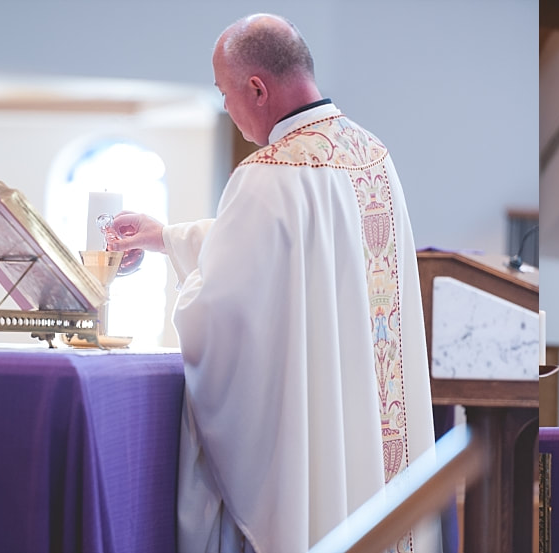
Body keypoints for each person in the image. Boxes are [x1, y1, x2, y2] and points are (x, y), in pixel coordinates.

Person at [106, 14, 440, 553]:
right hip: (376, 446)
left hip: (318, 457)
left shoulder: (267, 174)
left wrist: (191, 292)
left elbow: (218, 316)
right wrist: (165, 236)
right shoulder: (374, 158)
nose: (225, 108)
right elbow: (299, 257)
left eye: (224, 92)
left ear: (257, 88)